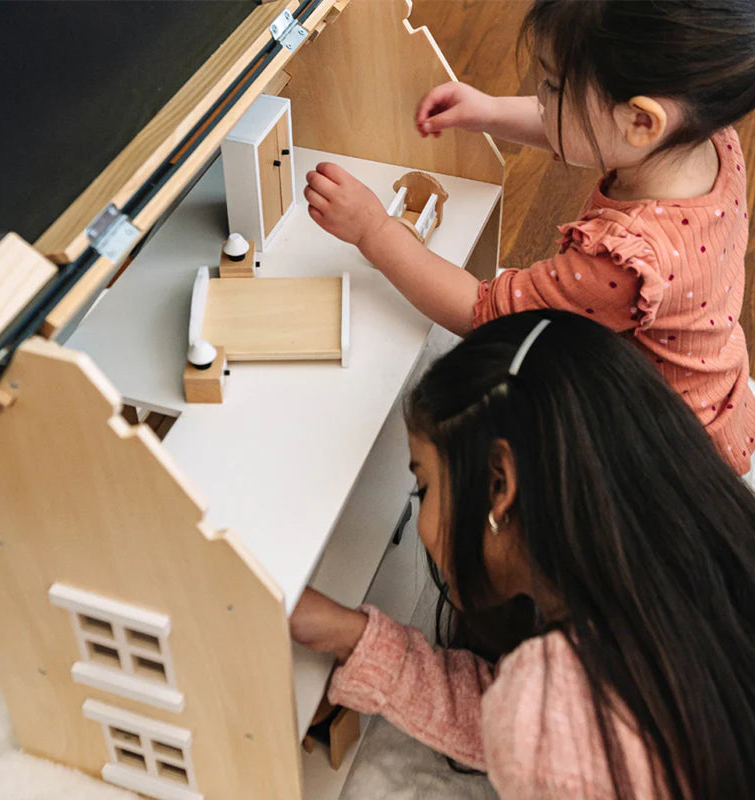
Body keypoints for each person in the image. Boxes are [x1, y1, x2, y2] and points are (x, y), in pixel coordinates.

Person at [290, 310, 755, 799]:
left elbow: (545, 729)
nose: (420, 512)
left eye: (422, 486)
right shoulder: (696, 568)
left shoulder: (550, 711)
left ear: (499, 485)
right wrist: (354, 636)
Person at [303, 0, 755, 474]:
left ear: (643, 122)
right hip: (712, 389)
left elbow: (485, 313)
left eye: (553, 86)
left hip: (654, 445)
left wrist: (374, 230)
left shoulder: (624, 261)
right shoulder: (704, 139)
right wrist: (490, 112)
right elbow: (585, 126)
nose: (540, 97)